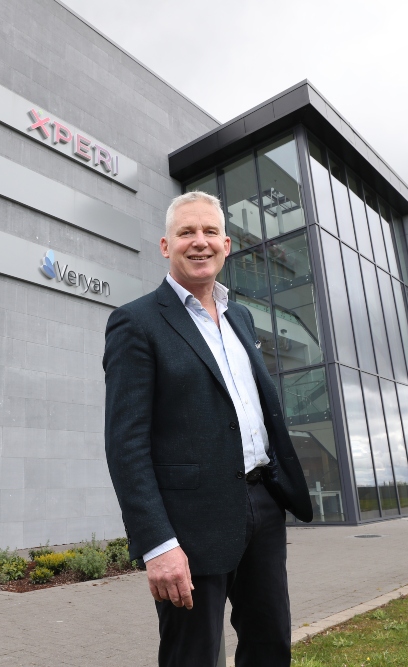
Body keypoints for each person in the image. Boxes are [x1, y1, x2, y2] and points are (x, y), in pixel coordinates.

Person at [103, 191, 313, 666]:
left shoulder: (240, 316)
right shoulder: (135, 323)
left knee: (270, 644)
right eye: (186, 233)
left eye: (209, 232)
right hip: (189, 522)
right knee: (192, 656)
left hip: (262, 504)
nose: (200, 243)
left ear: (227, 243)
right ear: (165, 245)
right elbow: (125, 445)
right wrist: (158, 543)